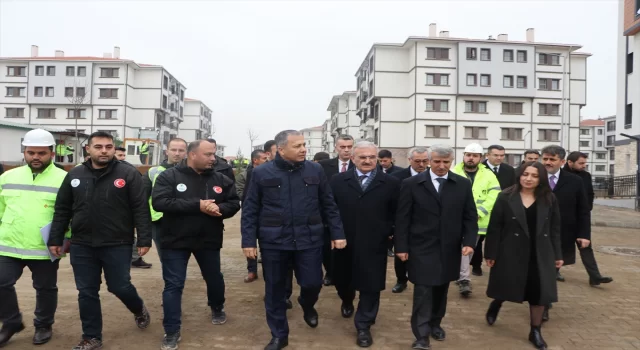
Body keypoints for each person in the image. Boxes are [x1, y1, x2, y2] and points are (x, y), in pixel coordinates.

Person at [241, 130, 346, 350]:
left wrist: (337, 233)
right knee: (275, 290)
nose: (303, 149)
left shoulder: (315, 170)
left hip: (309, 239)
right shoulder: (262, 173)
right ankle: (279, 334)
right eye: (297, 146)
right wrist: (248, 241)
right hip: (274, 241)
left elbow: (329, 204)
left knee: (312, 283)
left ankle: (307, 304)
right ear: (280, 149)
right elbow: (250, 209)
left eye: (304, 145)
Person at [48, 131, 152, 350]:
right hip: (82, 244)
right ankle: (91, 336)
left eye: (108, 146)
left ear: (113, 149)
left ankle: (138, 308)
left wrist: (144, 238)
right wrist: (55, 238)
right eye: (98, 147)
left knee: (119, 286)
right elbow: (62, 209)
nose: (104, 151)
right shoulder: (75, 174)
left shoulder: (128, 174)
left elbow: (140, 208)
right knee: (86, 292)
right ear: (89, 149)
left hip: (117, 243)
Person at [152, 139, 240, 350]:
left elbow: (234, 203)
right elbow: (160, 202)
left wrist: (219, 209)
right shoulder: (169, 176)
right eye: (208, 155)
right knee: (173, 284)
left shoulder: (221, 178)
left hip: (208, 239)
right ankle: (172, 330)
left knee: (214, 277)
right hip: (175, 239)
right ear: (192, 155)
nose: (213, 159)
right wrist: (197, 205)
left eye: (214, 154)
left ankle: (217, 306)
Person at [394, 144, 477, 350]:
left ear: (451, 162)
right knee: (423, 290)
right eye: (437, 161)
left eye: (446, 162)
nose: (441, 166)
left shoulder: (462, 184)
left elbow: (470, 217)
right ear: (429, 161)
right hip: (421, 247)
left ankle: (435, 323)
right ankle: (421, 336)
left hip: (449, 247)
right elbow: (402, 218)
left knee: (441, 288)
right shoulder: (411, 184)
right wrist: (401, 247)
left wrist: (468, 242)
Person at [0, 129, 69, 347]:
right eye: (31, 152)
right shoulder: (8, 177)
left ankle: (43, 325)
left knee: (46, 289)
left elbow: (72, 213)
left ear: (52, 153)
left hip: (46, 246)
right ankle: (11, 322)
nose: (35, 157)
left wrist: (66, 238)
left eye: (41, 153)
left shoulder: (65, 179)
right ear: (24, 152)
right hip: (8, 244)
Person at [484, 161, 563, 350]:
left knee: (539, 290)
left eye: (534, 176)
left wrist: (558, 254)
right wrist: (491, 252)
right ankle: (497, 302)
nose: (529, 179)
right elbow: (495, 227)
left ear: (541, 178)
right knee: (509, 283)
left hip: (540, 251)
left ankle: (535, 330)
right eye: (525, 174)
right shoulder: (505, 197)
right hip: (511, 249)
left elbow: (554, 229)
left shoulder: (549, 198)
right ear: (519, 175)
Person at [329, 141, 400, 347]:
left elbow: (397, 213)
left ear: (377, 158)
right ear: (353, 158)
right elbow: (329, 210)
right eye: (362, 157)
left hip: (375, 243)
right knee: (343, 279)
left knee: (371, 285)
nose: (367, 161)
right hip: (343, 241)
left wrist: (390, 233)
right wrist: (334, 234)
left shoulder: (391, 183)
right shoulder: (337, 181)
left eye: (371, 157)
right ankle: (346, 299)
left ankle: (363, 325)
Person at [540, 145, 591, 321]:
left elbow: (583, 210)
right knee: (537, 271)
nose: (547, 162)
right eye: (545, 158)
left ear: (562, 162)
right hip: (534, 233)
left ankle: (543, 304)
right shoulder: (532, 177)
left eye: (552, 159)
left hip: (561, 234)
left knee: (550, 271)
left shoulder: (575, 182)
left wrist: (584, 234)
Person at [452, 143, 501, 296]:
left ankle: (462, 276)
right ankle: (463, 278)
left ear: (481, 158)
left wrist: (480, 212)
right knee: (460, 249)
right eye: (468, 155)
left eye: (474, 156)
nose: (470, 158)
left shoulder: (489, 175)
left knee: (468, 249)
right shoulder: (453, 172)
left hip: (479, 220)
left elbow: (494, 196)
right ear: (464, 156)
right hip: (456, 220)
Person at [563, 152, 613, 286]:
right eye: (581, 163)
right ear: (569, 162)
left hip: (580, 218)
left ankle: (595, 276)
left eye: (585, 163)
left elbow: (590, 194)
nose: (584, 166)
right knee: (560, 248)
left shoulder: (586, 176)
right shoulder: (560, 177)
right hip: (563, 219)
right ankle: (553, 272)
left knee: (585, 246)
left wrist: (586, 208)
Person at [391, 147, 429, 294]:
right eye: (417, 161)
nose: (421, 164)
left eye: (425, 161)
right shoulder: (397, 177)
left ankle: (423, 280)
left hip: (426, 222)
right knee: (401, 253)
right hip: (403, 222)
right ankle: (401, 280)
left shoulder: (434, 176)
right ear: (410, 160)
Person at [317, 134, 355, 286]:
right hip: (328, 214)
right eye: (343, 147)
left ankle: (348, 273)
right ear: (336, 148)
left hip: (352, 214)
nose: (346, 150)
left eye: (350, 147)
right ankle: (330, 273)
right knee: (327, 248)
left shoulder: (360, 164)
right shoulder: (324, 166)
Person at [473, 145, 514, 277]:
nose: (499, 158)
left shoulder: (509, 170)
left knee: (500, 240)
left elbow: (513, 188)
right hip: (482, 211)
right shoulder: (478, 169)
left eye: (502, 155)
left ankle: (499, 264)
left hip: (502, 210)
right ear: (487, 155)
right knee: (477, 241)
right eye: (496, 155)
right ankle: (476, 265)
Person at [144, 138, 188, 260]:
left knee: (181, 256)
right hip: (159, 221)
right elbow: (142, 197)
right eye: (173, 150)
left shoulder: (192, 172)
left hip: (184, 219)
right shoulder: (153, 172)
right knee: (165, 256)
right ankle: (171, 278)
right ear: (166, 151)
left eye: (181, 150)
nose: (177, 153)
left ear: (186, 153)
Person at [236, 149, 269, 283]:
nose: (267, 161)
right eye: (264, 159)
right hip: (249, 213)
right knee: (250, 243)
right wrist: (252, 197)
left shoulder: (268, 174)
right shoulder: (244, 176)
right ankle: (252, 271)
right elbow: (238, 192)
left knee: (266, 244)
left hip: (265, 214)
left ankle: (268, 272)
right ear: (255, 160)